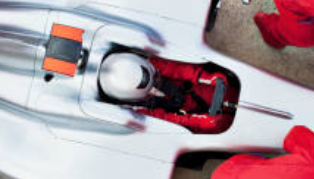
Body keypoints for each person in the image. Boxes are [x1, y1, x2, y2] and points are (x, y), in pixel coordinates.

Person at [98, 52, 237, 133]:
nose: (154, 81)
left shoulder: (152, 65)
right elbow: (171, 121)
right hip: (200, 117)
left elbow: (182, 70)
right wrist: (204, 122)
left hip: (206, 91)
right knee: (218, 125)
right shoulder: (140, 113)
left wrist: (208, 78)